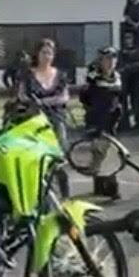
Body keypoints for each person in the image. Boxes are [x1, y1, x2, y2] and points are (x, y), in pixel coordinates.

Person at [18, 38, 71, 194]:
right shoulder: (28, 74)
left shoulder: (60, 74)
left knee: (59, 155)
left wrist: (44, 102)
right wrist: (33, 102)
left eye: (50, 53)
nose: (47, 56)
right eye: (44, 53)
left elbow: (64, 96)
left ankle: (64, 193)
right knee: (38, 156)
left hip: (56, 119)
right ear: (37, 54)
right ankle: (41, 192)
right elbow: (21, 95)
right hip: (35, 120)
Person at [80, 47, 123, 199]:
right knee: (99, 152)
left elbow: (119, 97)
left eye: (113, 59)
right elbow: (85, 97)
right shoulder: (94, 79)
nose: (110, 62)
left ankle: (107, 187)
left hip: (112, 120)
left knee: (109, 154)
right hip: (97, 119)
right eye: (107, 59)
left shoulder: (117, 77)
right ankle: (104, 186)